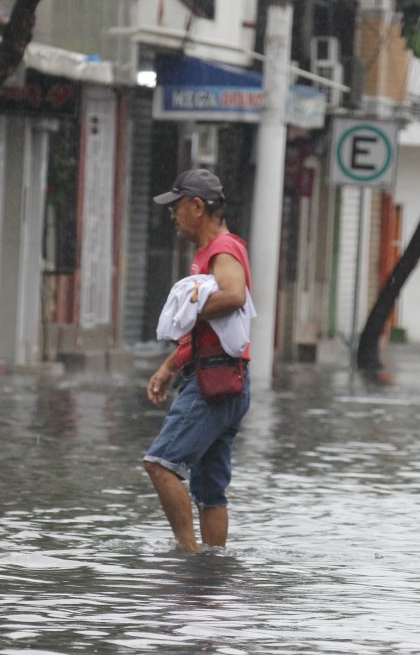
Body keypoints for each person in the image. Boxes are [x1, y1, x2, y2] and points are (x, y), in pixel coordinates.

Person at [145, 168, 252, 553]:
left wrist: (188, 311)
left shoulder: (223, 250)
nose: (172, 215)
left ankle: (188, 556)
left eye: (176, 207)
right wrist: (170, 366)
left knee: (160, 464)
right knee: (209, 490)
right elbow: (207, 331)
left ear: (196, 206)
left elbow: (235, 295)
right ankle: (212, 567)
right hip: (224, 379)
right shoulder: (209, 253)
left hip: (214, 383)